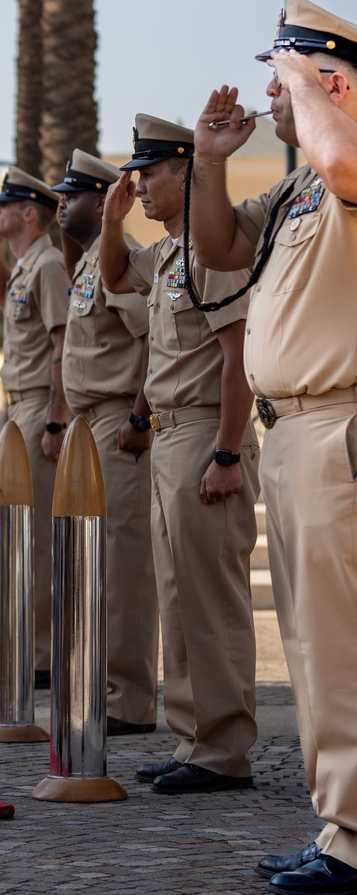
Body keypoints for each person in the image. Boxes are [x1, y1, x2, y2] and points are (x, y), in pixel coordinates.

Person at [189, 0, 357, 895]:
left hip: (340, 425)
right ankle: (342, 826)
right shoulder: (296, 185)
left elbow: (341, 155)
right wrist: (211, 165)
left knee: (341, 646)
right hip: (292, 431)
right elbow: (217, 248)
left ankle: (355, 837)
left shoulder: (343, 160)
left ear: (328, 79)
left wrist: (307, 79)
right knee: (315, 644)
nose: (270, 93)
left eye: (283, 76)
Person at [99, 114, 259, 794]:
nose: (140, 185)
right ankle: (194, 736)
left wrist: (226, 452)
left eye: (152, 171)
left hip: (202, 430)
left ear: (188, 172)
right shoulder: (166, 254)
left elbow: (237, 359)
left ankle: (225, 749)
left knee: (210, 596)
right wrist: (111, 220)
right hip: (168, 433)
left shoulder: (210, 253)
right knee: (177, 593)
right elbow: (112, 276)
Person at [53, 149, 158, 735]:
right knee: (95, 565)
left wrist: (139, 418)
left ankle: (129, 700)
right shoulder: (90, 261)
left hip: (119, 423)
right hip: (88, 424)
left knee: (123, 567)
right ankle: (105, 686)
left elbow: (151, 339)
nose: (60, 203)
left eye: (72, 195)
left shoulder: (123, 262)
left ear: (104, 200)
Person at [0, 167, 70, 683]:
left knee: (37, 537)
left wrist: (57, 418)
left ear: (29, 213)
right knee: (18, 533)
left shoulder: (50, 265)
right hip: (18, 408)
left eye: (3, 207)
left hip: (40, 405)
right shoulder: (23, 267)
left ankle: (42, 655)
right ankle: (28, 646)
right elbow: (0, 301)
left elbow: (62, 344)